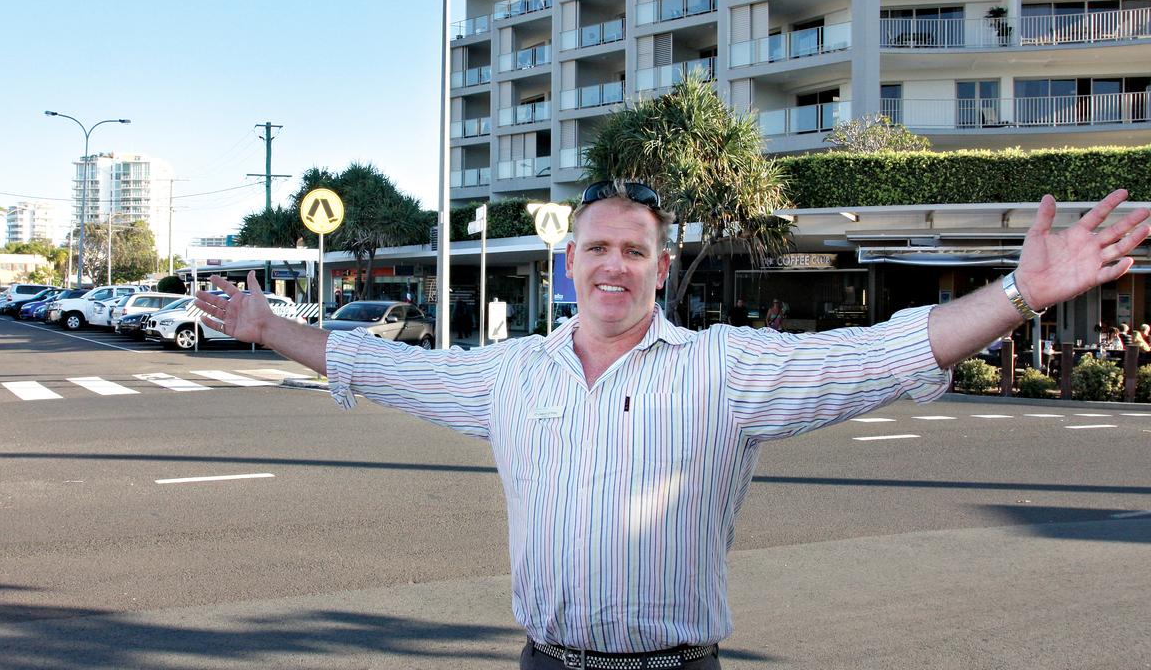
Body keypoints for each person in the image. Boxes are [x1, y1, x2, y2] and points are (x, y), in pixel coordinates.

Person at [194, 183, 1147, 669]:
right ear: (569, 264)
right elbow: (386, 366)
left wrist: (1021, 293)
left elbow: (883, 353)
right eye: (597, 248)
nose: (614, 265)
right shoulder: (510, 375)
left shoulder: (724, 369)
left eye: (634, 250)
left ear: (660, 266)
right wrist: (269, 326)